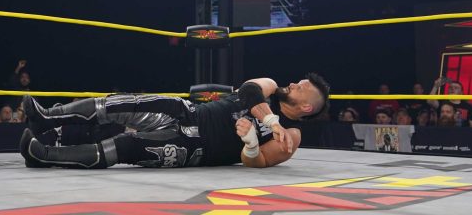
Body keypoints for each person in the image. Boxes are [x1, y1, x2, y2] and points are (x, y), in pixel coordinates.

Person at [19, 74, 329, 169]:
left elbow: (258, 161)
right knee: (118, 103)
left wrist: (250, 144)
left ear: (306, 106)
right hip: (188, 112)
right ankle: (45, 118)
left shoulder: (291, 136)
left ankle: (44, 156)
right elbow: (249, 90)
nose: (294, 84)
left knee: (123, 148)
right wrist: (270, 120)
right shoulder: (270, 87)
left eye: (301, 87)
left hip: (195, 148)